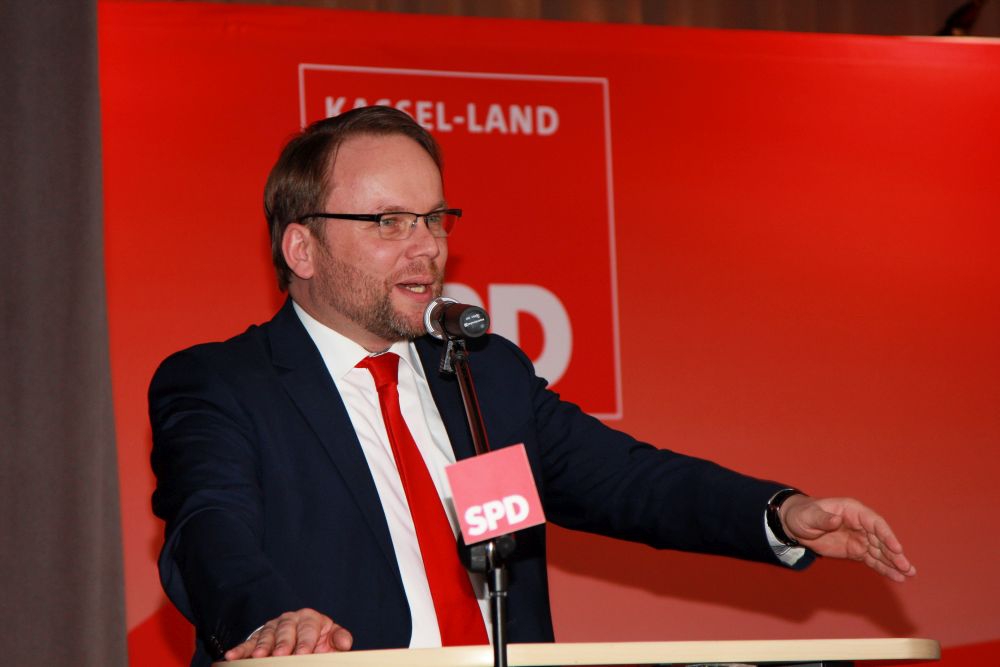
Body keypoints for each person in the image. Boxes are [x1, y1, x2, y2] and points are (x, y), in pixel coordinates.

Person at [149, 106, 915, 666]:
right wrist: (270, 618)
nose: (426, 247)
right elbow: (209, 529)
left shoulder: (481, 376)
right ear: (302, 248)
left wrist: (782, 514)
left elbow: (629, 480)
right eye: (388, 222)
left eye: (434, 218)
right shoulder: (223, 384)